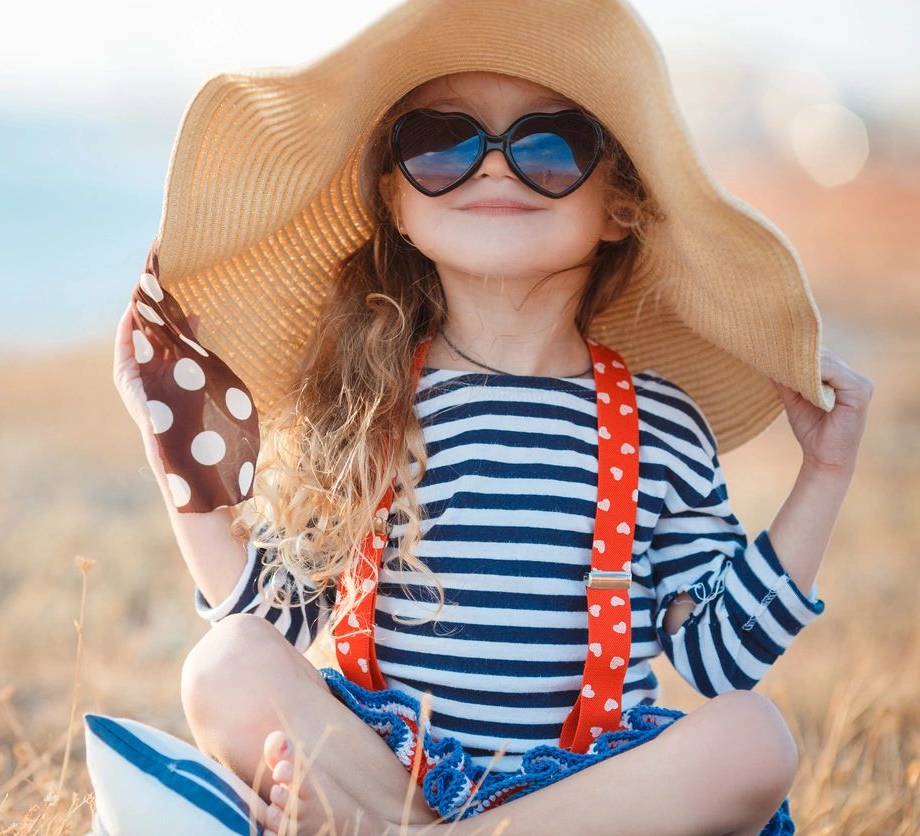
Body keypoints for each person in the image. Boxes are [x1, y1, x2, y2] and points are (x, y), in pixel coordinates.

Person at [112, 1, 873, 834]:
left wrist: (824, 476)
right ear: (395, 200)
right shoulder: (364, 402)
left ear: (618, 205)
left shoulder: (660, 425)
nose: (495, 169)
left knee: (754, 740)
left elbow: (722, 660)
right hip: (393, 776)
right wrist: (174, 452)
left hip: (588, 802)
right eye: (442, 142)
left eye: (552, 147)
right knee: (227, 665)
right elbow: (273, 620)